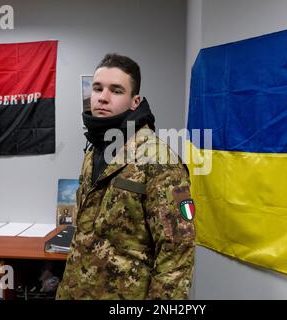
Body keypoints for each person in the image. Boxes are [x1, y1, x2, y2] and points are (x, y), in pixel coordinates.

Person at [56, 53, 195, 300]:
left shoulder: (159, 160)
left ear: (135, 101)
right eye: (97, 88)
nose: (102, 97)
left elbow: (177, 250)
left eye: (116, 90)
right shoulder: (95, 149)